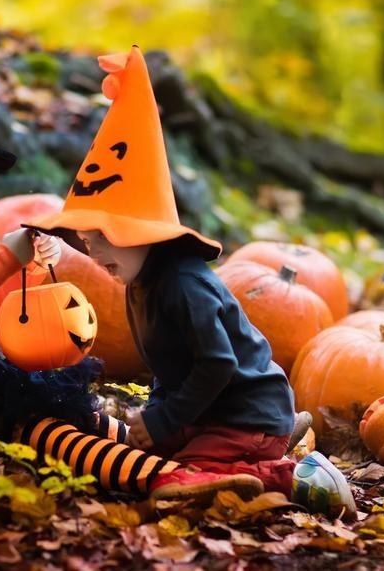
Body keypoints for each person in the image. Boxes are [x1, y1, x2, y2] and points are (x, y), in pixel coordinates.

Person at [0, 0, 263, 501]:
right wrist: (5, 256)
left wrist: (29, 274)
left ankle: (173, 455)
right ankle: (162, 480)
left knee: (74, 412)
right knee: (41, 431)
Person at [26, 46, 357, 519]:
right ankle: (243, 455)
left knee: (190, 472)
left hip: (248, 412)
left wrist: (163, 418)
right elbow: (172, 365)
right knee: (167, 456)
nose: (92, 252)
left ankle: (294, 473)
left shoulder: (185, 284)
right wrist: (158, 417)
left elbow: (218, 364)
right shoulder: (140, 279)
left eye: (104, 237)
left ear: (145, 234)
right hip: (209, 409)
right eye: (84, 239)